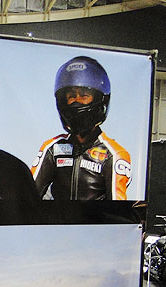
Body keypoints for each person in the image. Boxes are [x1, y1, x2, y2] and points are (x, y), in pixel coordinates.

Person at [31, 56, 131, 200]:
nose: (76, 102)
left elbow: (118, 209)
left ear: (99, 99)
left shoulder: (114, 155)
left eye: (84, 96)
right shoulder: (52, 149)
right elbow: (27, 197)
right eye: (72, 96)